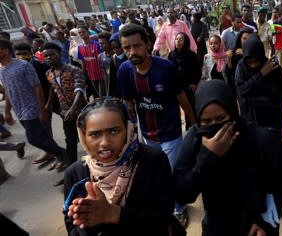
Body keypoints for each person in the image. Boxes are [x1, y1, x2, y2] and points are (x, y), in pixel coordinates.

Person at [173, 80, 282, 236]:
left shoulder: (257, 138)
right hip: (216, 225)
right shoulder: (195, 139)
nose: (215, 126)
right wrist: (208, 158)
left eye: (221, 119)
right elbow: (182, 193)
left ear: (233, 112)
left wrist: (265, 219)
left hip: (255, 225)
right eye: (206, 121)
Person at [63, 97, 185, 235]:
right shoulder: (75, 175)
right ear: (84, 136)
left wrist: (114, 214)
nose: (104, 142)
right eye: (95, 134)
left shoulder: (153, 160)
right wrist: (87, 219)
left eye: (114, 131)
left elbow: (162, 218)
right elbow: (72, 230)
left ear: (128, 129)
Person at [117, 24, 195, 227]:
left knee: (173, 173)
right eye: (127, 48)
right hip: (146, 135)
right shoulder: (124, 71)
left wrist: (194, 125)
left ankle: (179, 208)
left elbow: (181, 96)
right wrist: (130, 131)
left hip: (171, 134)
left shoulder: (166, 68)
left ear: (148, 44)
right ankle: (163, 206)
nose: (132, 52)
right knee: (155, 174)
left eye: (137, 46)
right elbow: (129, 103)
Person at [0, 39, 66, 169]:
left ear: (5, 51)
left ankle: (63, 154)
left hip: (32, 108)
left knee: (33, 138)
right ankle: (58, 156)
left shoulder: (23, 65)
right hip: (19, 110)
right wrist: (7, 111)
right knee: (42, 137)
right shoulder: (1, 70)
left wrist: (42, 109)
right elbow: (7, 90)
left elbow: (37, 87)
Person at [235, 34, 282, 139]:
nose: (253, 65)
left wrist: (274, 99)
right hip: (252, 117)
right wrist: (261, 74)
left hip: (274, 118)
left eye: (256, 61)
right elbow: (242, 90)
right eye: (249, 62)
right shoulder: (241, 67)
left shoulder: (273, 66)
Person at [43, 42, 87, 175]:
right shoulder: (48, 73)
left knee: (89, 138)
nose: (49, 58)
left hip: (82, 112)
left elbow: (79, 89)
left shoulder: (74, 70)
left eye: (52, 55)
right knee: (70, 141)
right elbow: (53, 88)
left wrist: (73, 108)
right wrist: (49, 103)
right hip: (65, 112)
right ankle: (72, 172)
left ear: (60, 54)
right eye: (46, 56)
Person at [168, 33, 202, 130]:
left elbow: (198, 71)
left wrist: (194, 83)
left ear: (186, 42)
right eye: (176, 39)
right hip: (175, 86)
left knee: (190, 108)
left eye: (181, 39)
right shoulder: (172, 54)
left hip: (188, 87)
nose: (178, 41)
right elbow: (169, 71)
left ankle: (192, 128)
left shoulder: (191, 55)